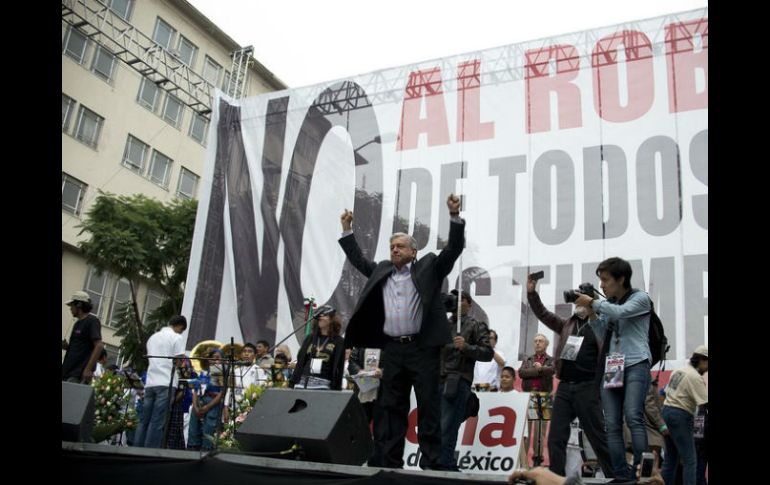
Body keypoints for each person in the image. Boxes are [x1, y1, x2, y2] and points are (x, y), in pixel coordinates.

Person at [338, 193, 464, 470]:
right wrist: (347, 231)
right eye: (392, 246)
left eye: (400, 246)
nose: (394, 250)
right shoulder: (382, 270)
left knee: (429, 407)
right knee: (389, 409)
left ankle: (432, 464)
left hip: (422, 350)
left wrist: (455, 218)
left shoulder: (429, 266)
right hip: (392, 350)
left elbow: (453, 249)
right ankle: (388, 463)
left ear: (413, 251)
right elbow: (359, 261)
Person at [526, 273, 614, 478]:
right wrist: (532, 294)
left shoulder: (600, 324)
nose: (577, 302)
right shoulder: (568, 324)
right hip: (565, 387)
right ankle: (556, 477)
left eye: (582, 297)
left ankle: (615, 476)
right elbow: (544, 314)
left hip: (588, 386)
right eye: (576, 298)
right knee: (555, 437)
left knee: (597, 437)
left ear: (592, 300)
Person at [574, 257, 652, 480]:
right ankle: (620, 475)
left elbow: (621, 313)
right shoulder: (609, 305)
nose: (602, 285)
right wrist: (590, 312)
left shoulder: (640, 298)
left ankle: (641, 472)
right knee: (612, 424)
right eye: (600, 281)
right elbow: (601, 335)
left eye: (606, 280)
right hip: (613, 365)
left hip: (636, 362)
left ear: (621, 279)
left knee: (633, 415)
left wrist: (593, 302)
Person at [439, 289, 493, 470]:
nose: (457, 301)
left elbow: (488, 353)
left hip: (456, 380)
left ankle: (445, 465)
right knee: (434, 427)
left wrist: (467, 347)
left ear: (469, 305)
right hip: (436, 381)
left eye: (462, 299)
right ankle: (436, 463)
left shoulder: (476, 325)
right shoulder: (441, 324)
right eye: (454, 298)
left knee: (448, 426)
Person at [133, 315, 187, 449]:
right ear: (180, 326)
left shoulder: (153, 337)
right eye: (182, 330)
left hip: (151, 382)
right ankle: (149, 453)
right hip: (166, 382)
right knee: (158, 421)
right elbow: (178, 360)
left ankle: (136, 449)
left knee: (144, 420)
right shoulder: (177, 337)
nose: (181, 333)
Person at [661, 345, 708, 485]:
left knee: (671, 459)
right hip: (680, 415)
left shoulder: (679, 370)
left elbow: (664, 392)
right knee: (690, 460)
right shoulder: (695, 377)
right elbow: (705, 404)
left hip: (667, 412)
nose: (707, 369)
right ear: (701, 360)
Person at [519, 333, 556, 467]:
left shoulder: (550, 359)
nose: (537, 343)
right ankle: (523, 461)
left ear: (546, 344)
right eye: (535, 341)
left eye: (540, 341)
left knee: (541, 429)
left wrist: (539, 369)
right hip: (528, 395)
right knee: (527, 429)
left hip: (544, 395)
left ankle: (538, 459)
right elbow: (521, 373)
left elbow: (552, 370)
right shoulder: (528, 358)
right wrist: (539, 370)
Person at [289, 305, 345, 390]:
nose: (320, 318)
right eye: (319, 316)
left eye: (324, 316)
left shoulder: (338, 341)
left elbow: (339, 367)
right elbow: (301, 361)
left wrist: (337, 389)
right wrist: (292, 383)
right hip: (303, 382)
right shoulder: (310, 338)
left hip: (323, 383)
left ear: (331, 319)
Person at [62, 290, 104, 384]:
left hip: (78, 375)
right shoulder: (77, 324)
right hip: (67, 372)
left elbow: (99, 346)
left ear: (79, 305)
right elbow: (80, 347)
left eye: (72, 305)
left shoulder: (92, 321)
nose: (70, 309)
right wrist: (67, 347)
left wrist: (88, 369)